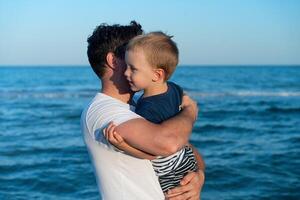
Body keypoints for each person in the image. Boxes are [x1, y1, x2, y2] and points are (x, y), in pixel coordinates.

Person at [81, 21, 205, 200]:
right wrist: (190, 112)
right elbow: (169, 143)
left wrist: (198, 176)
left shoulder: (138, 107)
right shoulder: (104, 111)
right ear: (113, 61)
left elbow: (183, 147)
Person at [104, 32, 198, 193]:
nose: (126, 73)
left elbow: (151, 154)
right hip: (187, 158)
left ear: (157, 74)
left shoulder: (147, 110)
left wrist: (122, 145)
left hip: (170, 172)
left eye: (133, 69)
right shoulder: (174, 88)